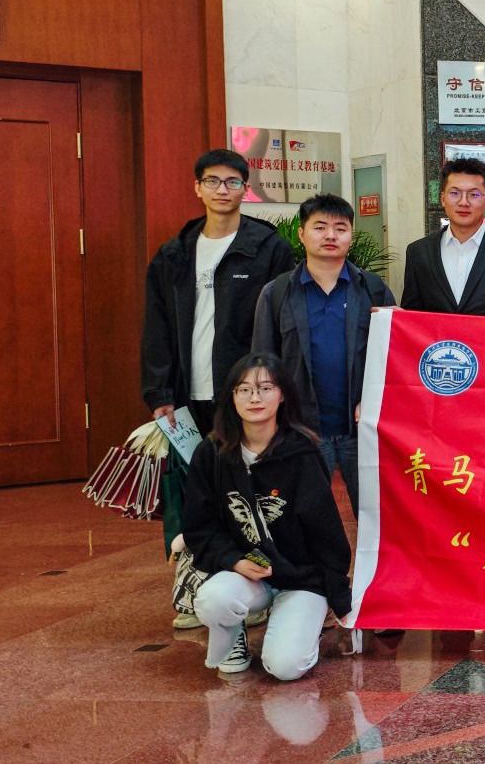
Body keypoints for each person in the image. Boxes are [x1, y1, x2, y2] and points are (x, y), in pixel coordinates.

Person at [143, 148, 294, 629]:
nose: (222, 190)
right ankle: (193, 590)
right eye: (213, 181)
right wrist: (160, 392)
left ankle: (258, 590)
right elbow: (156, 327)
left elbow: (281, 325)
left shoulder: (268, 248)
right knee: (194, 495)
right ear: (198, 187)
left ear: (245, 189)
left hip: (247, 396)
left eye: (232, 182)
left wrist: (272, 389)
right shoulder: (173, 253)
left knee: (252, 492)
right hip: (188, 397)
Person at [183, 353, 352, 680]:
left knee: (285, 668)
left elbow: (327, 533)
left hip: (301, 578)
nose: (255, 398)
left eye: (265, 388)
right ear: (232, 397)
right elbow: (199, 526)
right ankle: (233, 634)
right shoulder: (212, 453)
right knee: (214, 599)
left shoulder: (302, 452)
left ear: (282, 394)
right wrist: (232, 560)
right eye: (244, 389)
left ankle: (303, 625)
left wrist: (340, 597)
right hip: (248, 574)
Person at [251, 193, 395, 511]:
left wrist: (373, 400)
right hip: (301, 429)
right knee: (301, 516)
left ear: (351, 235)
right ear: (301, 234)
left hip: (362, 431)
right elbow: (263, 364)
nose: (331, 235)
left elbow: (392, 360)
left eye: (340, 228)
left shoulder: (373, 290)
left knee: (376, 515)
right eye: (320, 227)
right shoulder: (276, 293)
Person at [400, 157, 485, 317]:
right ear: (442, 199)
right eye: (454, 193)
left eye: (474, 194)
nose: (463, 202)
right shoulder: (418, 252)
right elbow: (410, 319)